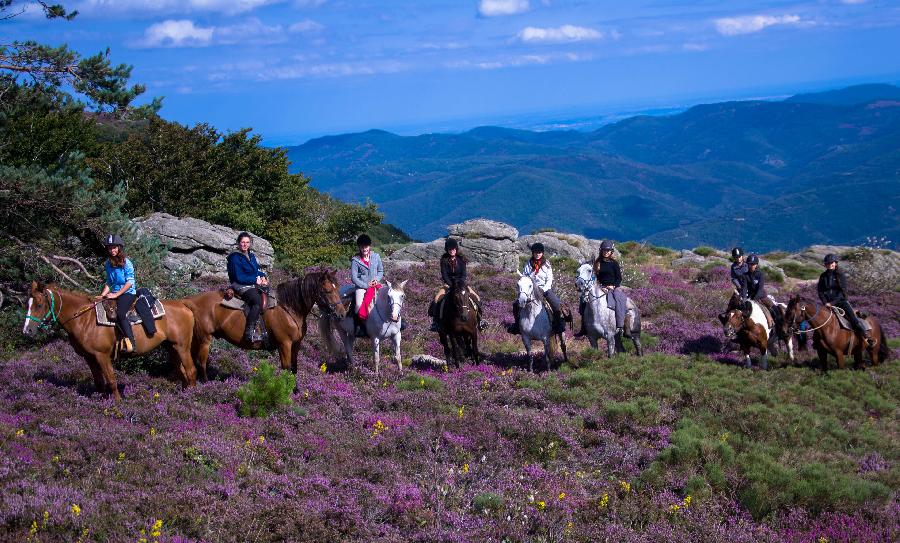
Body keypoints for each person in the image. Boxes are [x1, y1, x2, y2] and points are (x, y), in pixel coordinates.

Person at [95, 234, 152, 353]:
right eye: (110, 248)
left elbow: (130, 282)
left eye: (114, 247)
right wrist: (102, 294)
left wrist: (116, 295)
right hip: (114, 292)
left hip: (128, 293)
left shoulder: (127, 263)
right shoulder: (108, 264)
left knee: (120, 313)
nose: (112, 250)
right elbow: (109, 281)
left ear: (119, 248)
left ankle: (132, 342)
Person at [817, 253, 875, 347]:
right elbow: (820, 291)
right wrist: (825, 303)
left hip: (841, 302)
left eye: (831, 263)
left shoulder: (840, 275)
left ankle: (867, 336)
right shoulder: (823, 276)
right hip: (827, 304)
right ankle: (818, 343)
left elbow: (842, 292)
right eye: (827, 263)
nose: (829, 264)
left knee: (853, 319)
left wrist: (832, 303)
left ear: (835, 263)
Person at [429, 238, 485, 332]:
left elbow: (464, 274)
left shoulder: (461, 260)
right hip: (449, 285)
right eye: (450, 249)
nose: (452, 251)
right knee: (436, 299)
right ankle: (436, 323)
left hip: (462, 284)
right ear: (447, 250)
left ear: (456, 249)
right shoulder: (444, 261)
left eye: (454, 249)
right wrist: (451, 285)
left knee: (477, 298)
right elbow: (444, 275)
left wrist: (460, 283)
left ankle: (480, 320)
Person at [509, 243, 563, 334]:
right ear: (532, 253)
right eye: (536, 252)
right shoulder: (528, 264)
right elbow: (525, 277)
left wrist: (544, 289)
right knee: (516, 305)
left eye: (539, 252)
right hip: (530, 290)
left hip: (544, 289)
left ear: (542, 253)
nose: (537, 254)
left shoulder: (547, 264)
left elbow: (549, 279)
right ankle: (517, 325)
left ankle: (558, 326)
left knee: (556, 304)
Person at [227, 232, 269, 343]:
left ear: (249, 244)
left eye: (247, 242)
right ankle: (249, 332)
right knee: (257, 302)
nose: (245, 245)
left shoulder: (251, 256)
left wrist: (263, 277)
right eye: (242, 242)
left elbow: (256, 271)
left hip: (252, 284)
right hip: (241, 285)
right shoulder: (234, 257)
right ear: (238, 243)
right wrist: (255, 280)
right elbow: (239, 276)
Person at [584, 240, 630, 337]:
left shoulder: (614, 263)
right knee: (584, 301)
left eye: (608, 250)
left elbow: (619, 278)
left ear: (611, 252)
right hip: (600, 287)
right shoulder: (597, 263)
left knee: (619, 298)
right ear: (601, 251)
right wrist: (599, 286)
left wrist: (613, 286)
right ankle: (584, 327)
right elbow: (594, 277)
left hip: (614, 286)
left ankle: (622, 325)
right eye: (604, 250)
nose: (606, 252)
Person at [350, 234, 384, 335]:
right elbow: (354, 277)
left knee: (390, 297)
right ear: (359, 247)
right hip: (362, 287)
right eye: (362, 247)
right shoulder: (355, 260)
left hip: (375, 284)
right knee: (358, 305)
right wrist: (365, 286)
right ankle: (360, 326)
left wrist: (376, 280)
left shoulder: (376, 256)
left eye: (366, 246)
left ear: (369, 246)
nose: (364, 249)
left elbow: (380, 271)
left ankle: (396, 323)